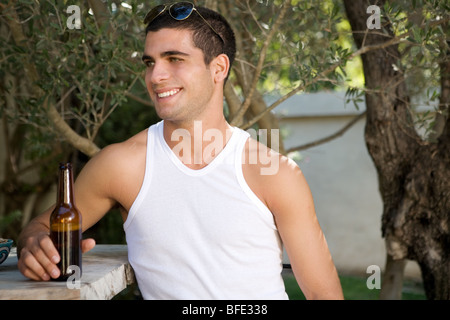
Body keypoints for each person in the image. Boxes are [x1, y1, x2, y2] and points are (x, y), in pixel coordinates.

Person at [17, 2, 343, 300]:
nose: (156, 76)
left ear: (218, 68)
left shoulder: (273, 172)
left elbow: (322, 294)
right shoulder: (122, 165)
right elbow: (41, 227)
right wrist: (33, 246)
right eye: (150, 62)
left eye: (174, 59)